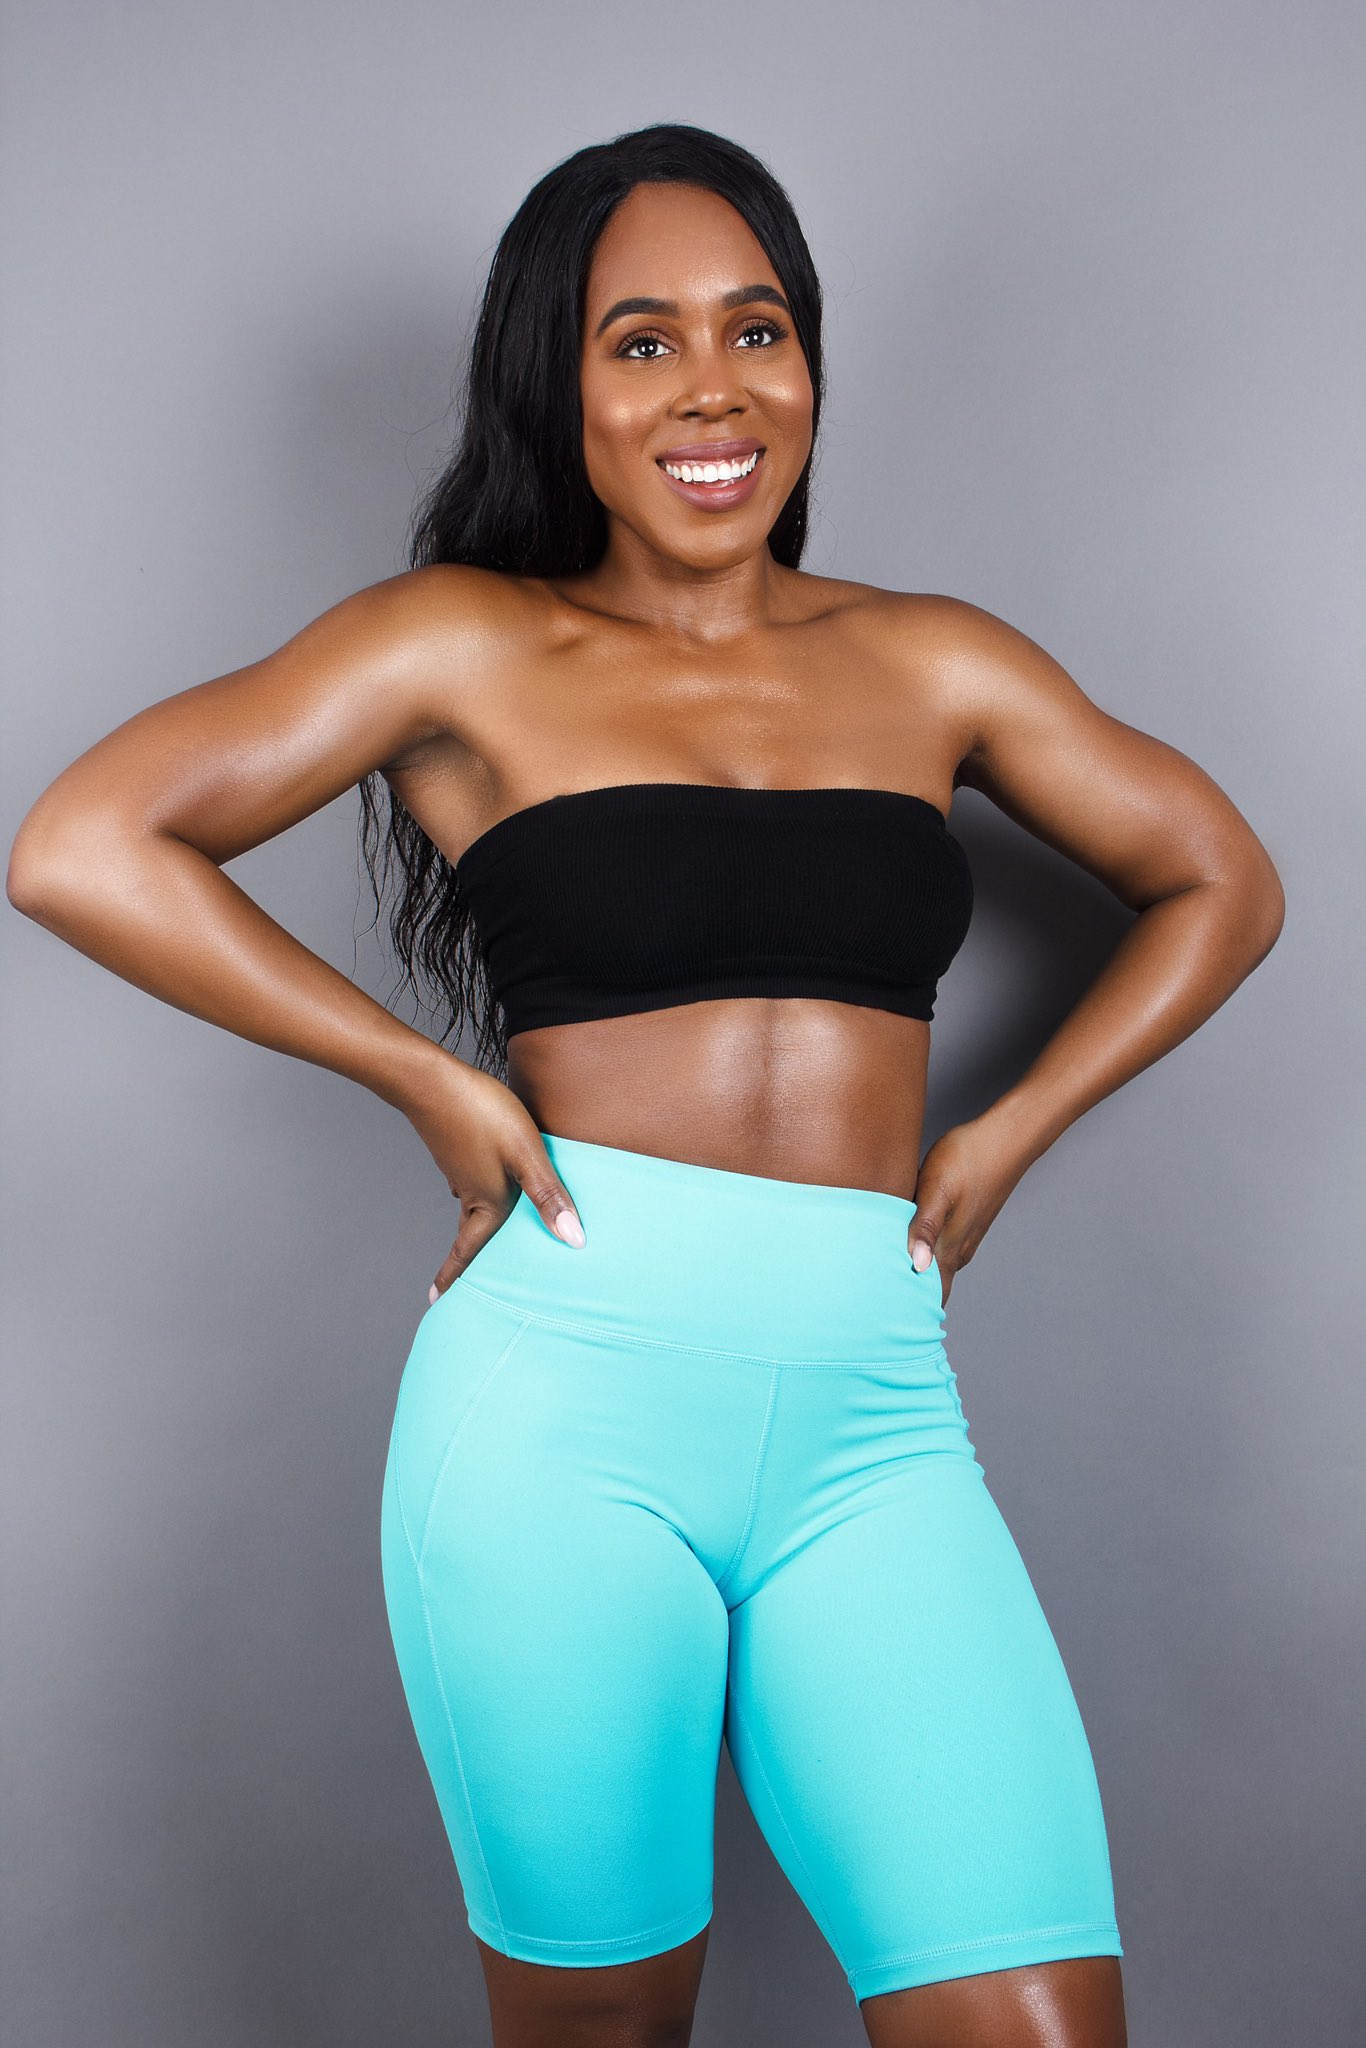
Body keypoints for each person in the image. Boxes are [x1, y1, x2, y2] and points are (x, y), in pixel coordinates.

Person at [7, 121, 1284, 2048]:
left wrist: (1012, 1128)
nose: (711, 387)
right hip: (558, 1415)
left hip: (874, 1422)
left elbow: (1221, 880)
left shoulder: (931, 659)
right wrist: (417, 1076)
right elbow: (81, 845)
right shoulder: (463, 642)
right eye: (642, 341)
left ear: (808, 368)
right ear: (563, 384)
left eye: (755, 330)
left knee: (1037, 2015)